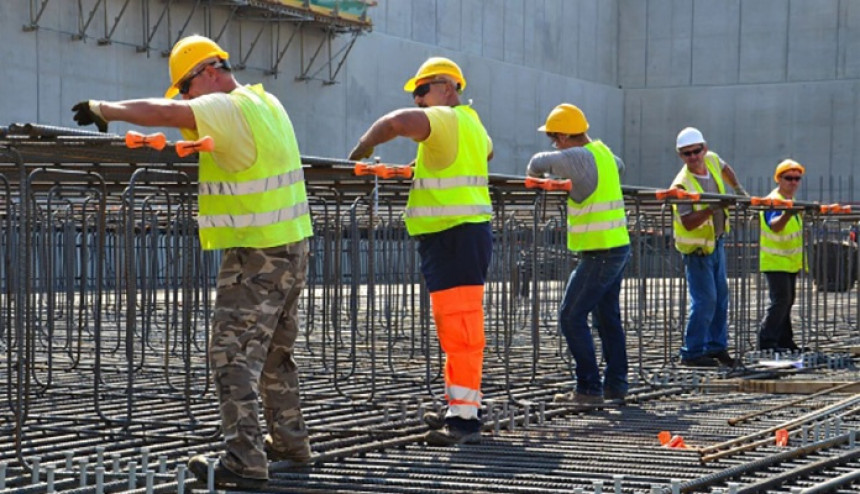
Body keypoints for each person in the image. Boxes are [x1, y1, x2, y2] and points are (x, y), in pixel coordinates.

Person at [72, 35, 314, 486]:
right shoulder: (267, 103)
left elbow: (166, 114)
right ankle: (290, 441)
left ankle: (244, 462)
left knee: (231, 356)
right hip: (292, 246)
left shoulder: (225, 106)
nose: (186, 101)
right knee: (276, 353)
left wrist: (105, 108)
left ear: (206, 74)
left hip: (257, 254)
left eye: (186, 89)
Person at [348, 56, 493, 445]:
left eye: (422, 92)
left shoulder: (447, 117)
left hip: (455, 235)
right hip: (457, 235)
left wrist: (363, 146)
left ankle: (464, 420)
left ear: (447, 88)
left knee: (460, 328)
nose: (418, 102)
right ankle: (461, 406)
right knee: (455, 327)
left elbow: (395, 123)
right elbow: (486, 154)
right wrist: (423, 165)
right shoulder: (471, 126)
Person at [526, 103, 631, 404]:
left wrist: (540, 178)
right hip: (617, 246)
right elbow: (619, 166)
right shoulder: (603, 153)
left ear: (563, 136)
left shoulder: (579, 155)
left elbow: (538, 161)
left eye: (554, 138)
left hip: (600, 251)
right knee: (607, 318)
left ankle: (588, 388)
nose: (554, 145)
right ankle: (616, 384)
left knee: (571, 316)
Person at [669, 127, 748, 367]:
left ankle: (716, 347)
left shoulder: (712, 160)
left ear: (704, 148)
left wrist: (737, 189)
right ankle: (692, 352)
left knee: (721, 297)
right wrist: (713, 207)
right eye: (687, 153)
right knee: (705, 301)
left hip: (717, 241)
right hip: (697, 251)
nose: (693, 156)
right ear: (680, 155)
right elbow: (688, 222)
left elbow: (725, 168)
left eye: (696, 151)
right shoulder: (681, 185)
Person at [759, 159, 805, 352]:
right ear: (779, 179)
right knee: (780, 302)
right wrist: (788, 213)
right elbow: (775, 225)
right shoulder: (774, 201)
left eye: (797, 178)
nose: (793, 182)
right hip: (775, 261)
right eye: (789, 178)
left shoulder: (789, 203)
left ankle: (785, 340)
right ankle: (767, 341)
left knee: (787, 301)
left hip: (789, 262)